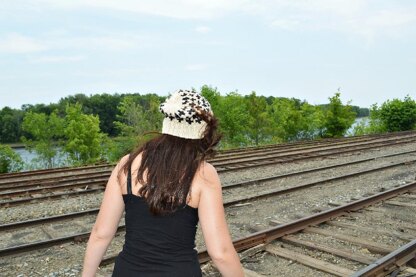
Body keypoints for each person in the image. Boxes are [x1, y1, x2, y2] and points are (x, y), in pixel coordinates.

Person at [82, 89, 244, 276]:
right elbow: (220, 253)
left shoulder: (126, 164)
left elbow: (101, 233)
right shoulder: (204, 174)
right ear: (204, 130)